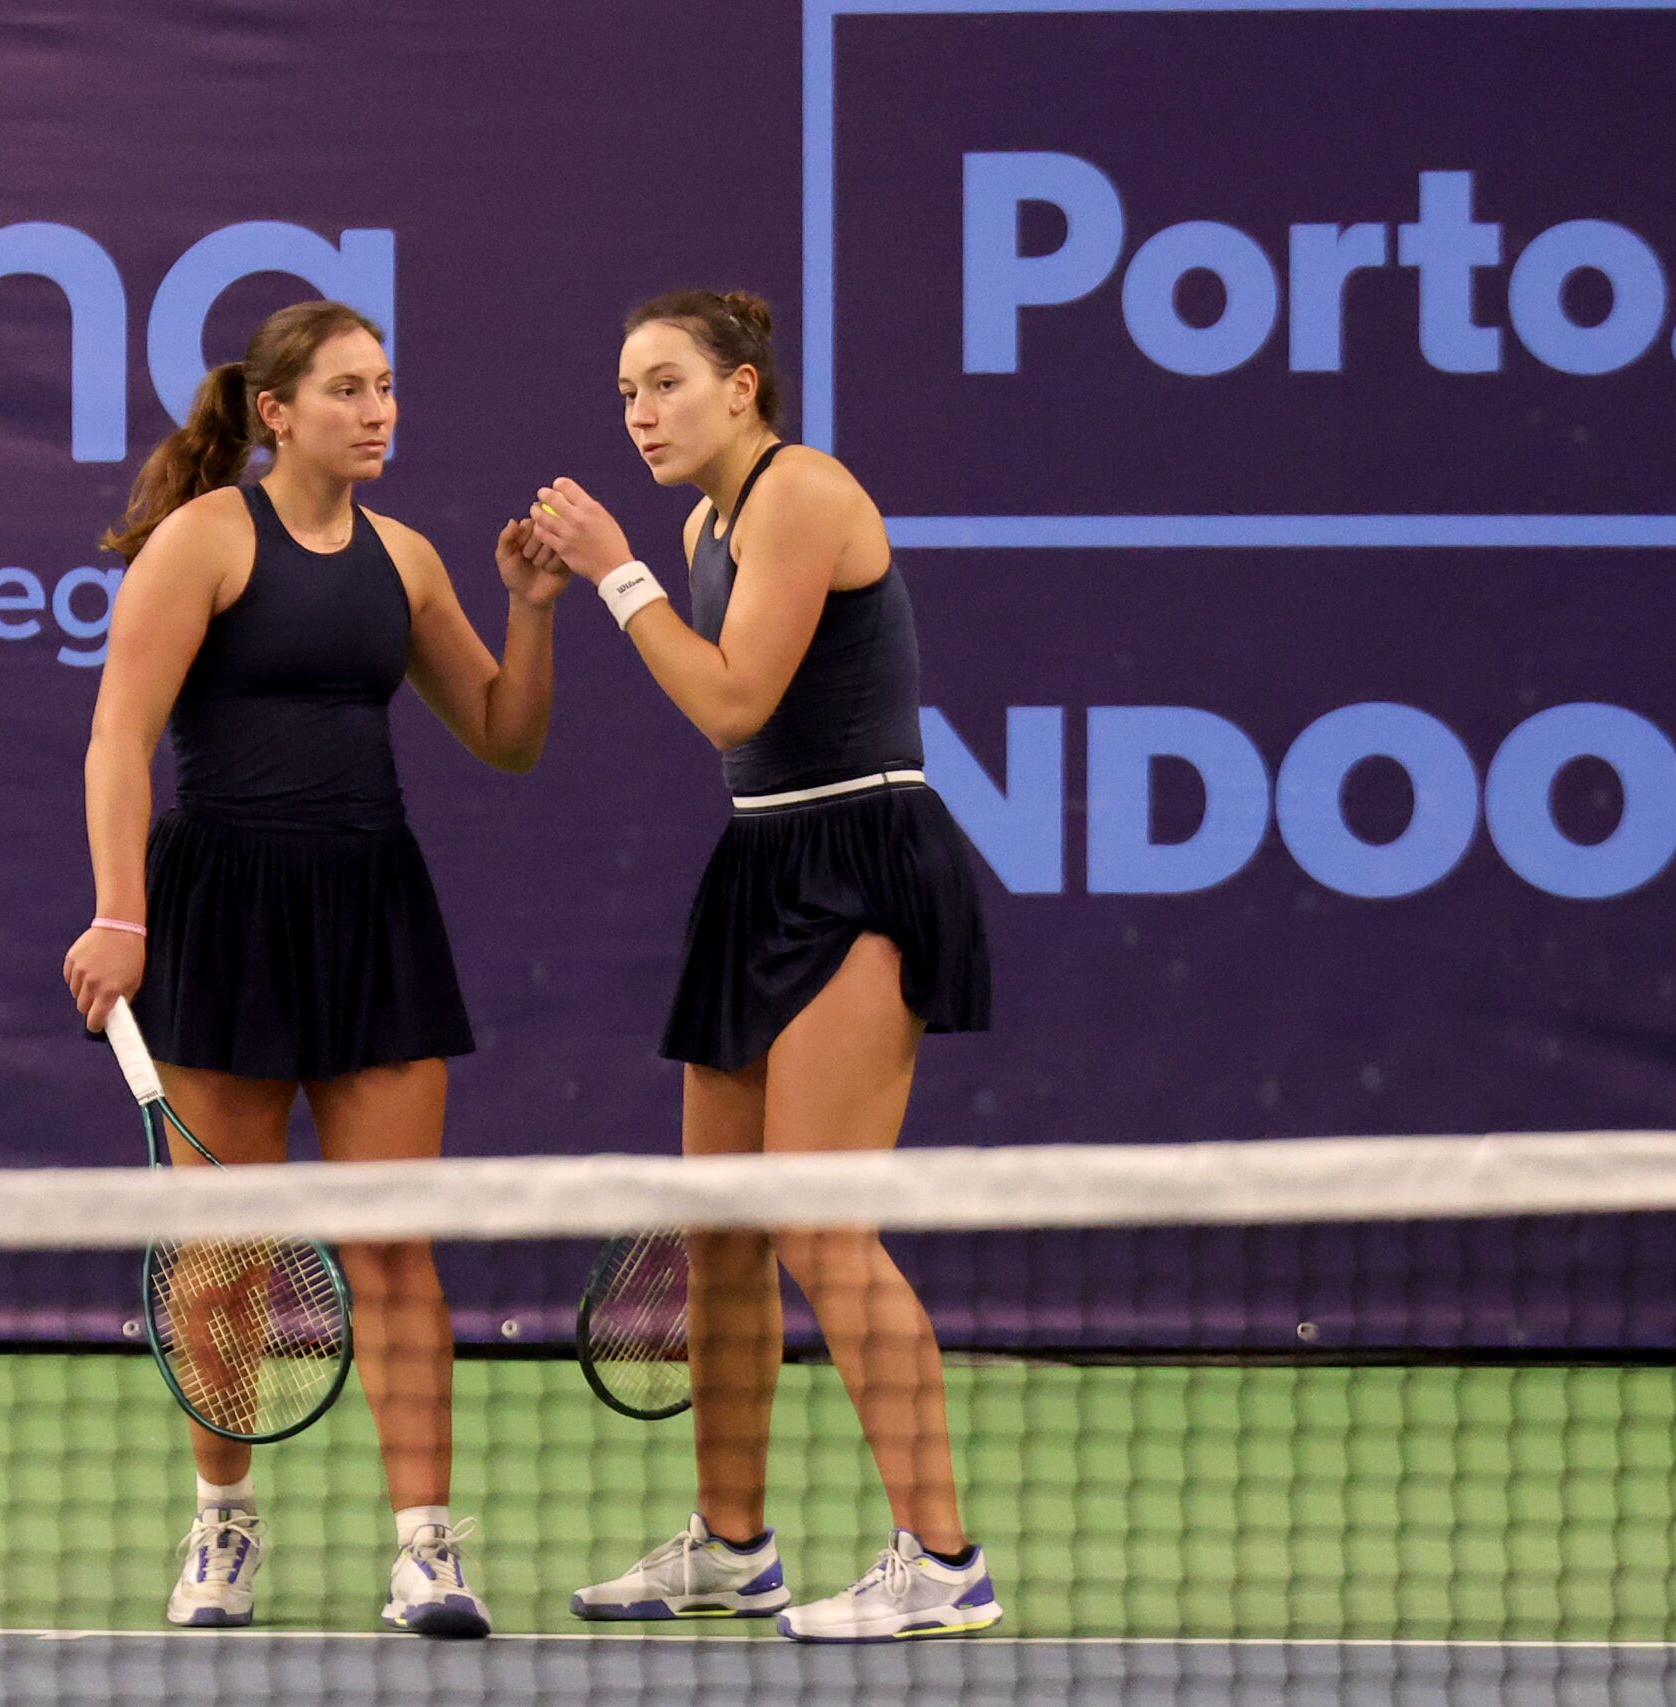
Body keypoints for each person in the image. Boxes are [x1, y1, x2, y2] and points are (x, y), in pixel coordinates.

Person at [61, 299, 569, 1636]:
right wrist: (123, 915)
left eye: (388, 386)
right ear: (277, 414)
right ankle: (224, 1525)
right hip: (223, 911)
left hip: (370, 911)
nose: (379, 410)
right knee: (221, 1259)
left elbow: (506, 735)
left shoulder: (407, 560)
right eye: (349, 390)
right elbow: (120, 742)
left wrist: (531, 609)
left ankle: (425, 1553)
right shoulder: (204, 541)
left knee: (396, 1247)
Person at [530, 289, 1001, 1643]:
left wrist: (615, 575)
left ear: (744, 389)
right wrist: (619, 578)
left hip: (861, 863)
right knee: (723, 1233)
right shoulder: (703, 526)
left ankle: (943, 1558)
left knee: (818, 1227)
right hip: (760, 863)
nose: (639, 410)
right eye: (627, 388)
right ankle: (733, 1547)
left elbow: (733, 694)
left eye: (667, 382)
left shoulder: (804, 494)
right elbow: (733, 724)